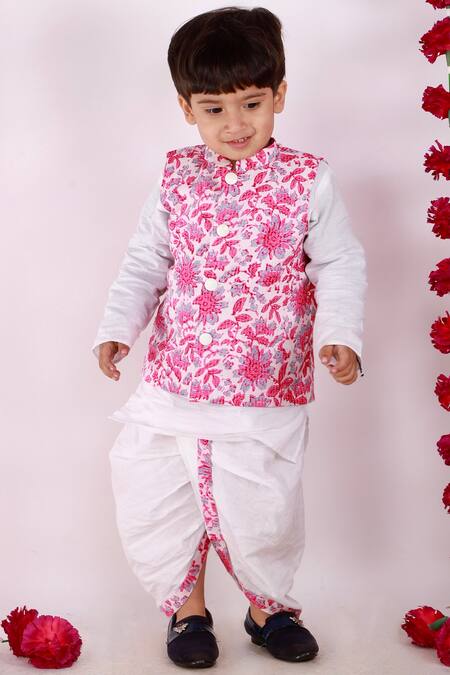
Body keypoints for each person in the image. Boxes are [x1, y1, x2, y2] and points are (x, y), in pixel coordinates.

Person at [92, 5, 367, 668]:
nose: (236, 124)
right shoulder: (176, 176)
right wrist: (119, 327)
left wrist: (341, 334)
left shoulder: (307, 179)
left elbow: (339, 261)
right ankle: (188, 613)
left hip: (264, 380)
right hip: (177, 379)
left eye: (252, 103)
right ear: (187, 108)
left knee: (263, 505)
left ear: (280, 95)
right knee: (166, 492)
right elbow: (146, 261)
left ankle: (268, 609)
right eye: (214, 109)